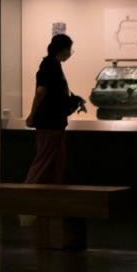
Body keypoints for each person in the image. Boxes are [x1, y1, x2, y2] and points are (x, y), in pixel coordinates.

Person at [24, 34, 86, 184]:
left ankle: (48, 192)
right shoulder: (50, 65)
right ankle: (28, 192)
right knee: (44, 161)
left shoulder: (53, 64)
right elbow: (41, 91)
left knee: (54, 161)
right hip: (50, 122)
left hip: (54, 121)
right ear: (63, 49)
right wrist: (32, 114)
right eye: (70, 49)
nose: (70, 53)